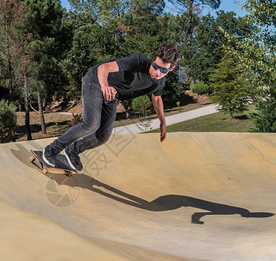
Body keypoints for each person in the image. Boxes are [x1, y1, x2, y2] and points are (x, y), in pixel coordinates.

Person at [43, 42, 179, 172]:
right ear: (154, 60)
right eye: (155, 66)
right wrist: (104, 86)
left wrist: (163, 123)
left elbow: (157, 99)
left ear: (171, 68)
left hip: (113, 94)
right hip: (96, 81)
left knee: (103, 136)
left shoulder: (159, 82)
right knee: (91, 125)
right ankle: (51, 150)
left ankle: (73, 150)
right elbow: (104, 68)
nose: (157, 72)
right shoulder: (137, 60)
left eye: (163, 70)